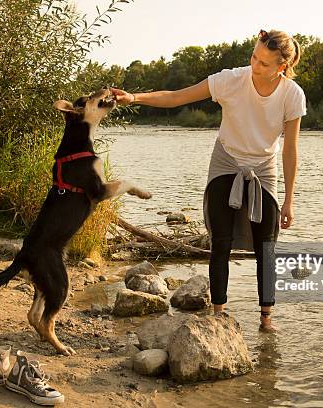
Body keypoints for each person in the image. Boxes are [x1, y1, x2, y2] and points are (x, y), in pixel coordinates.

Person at [111, 29, 306, 332]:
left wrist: (290, 201)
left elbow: (290, 149)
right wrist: (134, 97)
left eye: (264, 63)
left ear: (282, 67)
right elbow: (177, 97)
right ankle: (219, 315)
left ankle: (266, 320)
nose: (255, 65)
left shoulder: (292, 94)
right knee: (221, 242)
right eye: (254, 57)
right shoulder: (231, 80)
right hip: (226, 160)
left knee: (266, 246)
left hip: (264, 168)